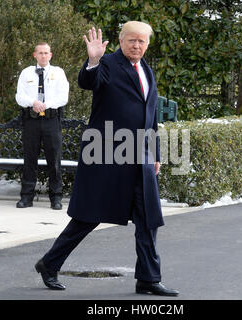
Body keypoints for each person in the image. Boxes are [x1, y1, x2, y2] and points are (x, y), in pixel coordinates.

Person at [34, 22, 179, 296]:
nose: (137, 46)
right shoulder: (108, 64)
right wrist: (93, 60)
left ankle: (148, 278)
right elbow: (88, 81)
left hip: (140, 157)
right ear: (121, 41)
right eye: (131, 41)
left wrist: (156, 154)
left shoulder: (147, 69)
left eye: (142, 41)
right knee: (88, 216)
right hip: (105, 153)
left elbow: (151, 116)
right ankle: (50, 264)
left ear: (148, 44)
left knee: (148, 218)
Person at [15, 42, 69, 210]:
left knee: (54, 160)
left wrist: (47, 104)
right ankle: (26, 197)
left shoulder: (58, 73)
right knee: (29, 159)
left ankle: (56, 198)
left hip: (52, 120)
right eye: (40, 53)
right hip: (31, 121)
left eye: (46, 53)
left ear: (51, 55)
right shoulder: (26, 73)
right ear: (35, 55)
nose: (43, 56)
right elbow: (19, 96)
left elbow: (63, 97)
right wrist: (34, 102)